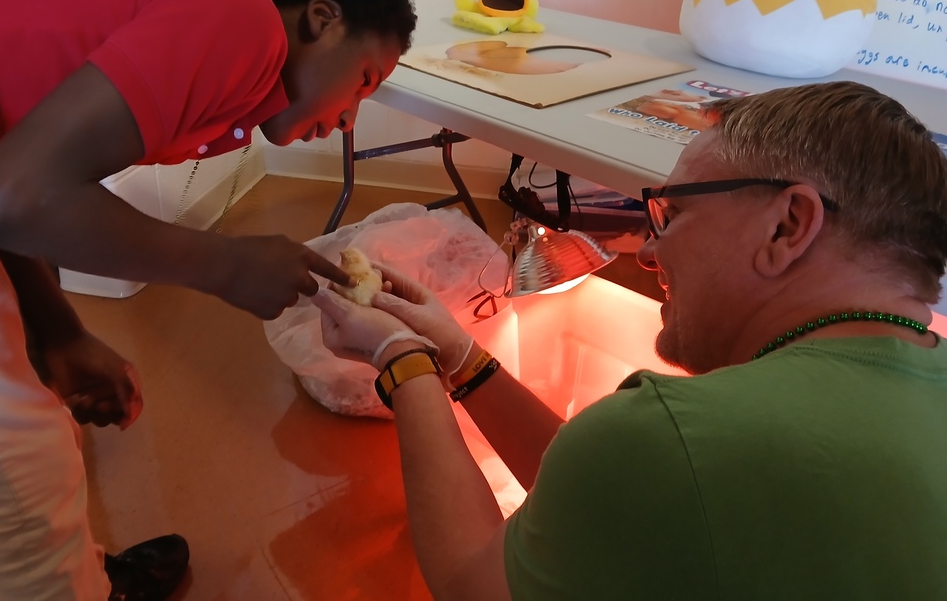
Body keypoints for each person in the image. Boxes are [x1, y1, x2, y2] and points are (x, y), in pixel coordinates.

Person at [0, 0, 415, 601]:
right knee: (14, 450)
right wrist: (225, 263)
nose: (346, 121)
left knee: (16, 413)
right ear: (321, 17)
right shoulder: (243, 23)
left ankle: (80, 578)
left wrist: (58, 328)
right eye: (364, 82)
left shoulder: (207, 41)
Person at [314, 80, 947, 599]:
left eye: (672, 214)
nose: (646, 250)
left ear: (788, 223)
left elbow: (474, 586)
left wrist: (399, 358)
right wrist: (459, 357)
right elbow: (625, 499)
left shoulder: (679, 436)